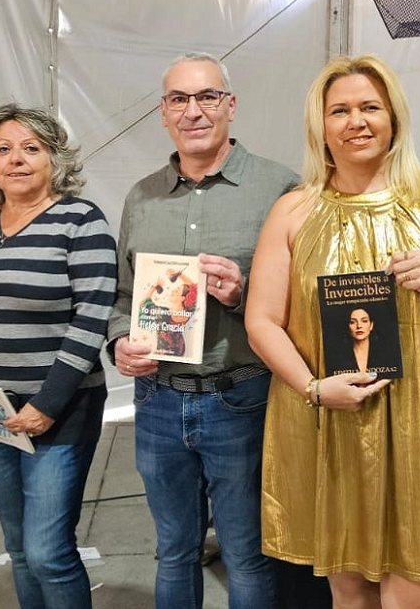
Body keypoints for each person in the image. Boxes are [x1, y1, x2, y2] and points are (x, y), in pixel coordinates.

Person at [246, 54, 420, 608]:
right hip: (329, 422)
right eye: (340, 111)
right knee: (350, 595)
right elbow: (262, 321)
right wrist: (313, 388)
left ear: (394, 119)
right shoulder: (292, 212)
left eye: (370, 107)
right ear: (320, 126)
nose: (356, 121)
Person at [108, 52, 299, 609]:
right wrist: (119, 342)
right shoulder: (141, 197)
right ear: (163, 112)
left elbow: (306, 303)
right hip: (158, 399)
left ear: (230, 105)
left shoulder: (281, 189)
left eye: (207, 96)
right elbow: (123, 296)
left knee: (247, 553)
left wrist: (243, 295)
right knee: (173, 552)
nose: (193, 111)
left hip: (242, 396)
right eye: (178, 99)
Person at [0, 105, 116, 609]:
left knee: (47, 552)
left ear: (54, 158)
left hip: (63, 408)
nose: (16, 159)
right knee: (18, 549)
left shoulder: (81, 220)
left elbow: (91, 317)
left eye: (31, 148)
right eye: (4, 149)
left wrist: (47, 404)